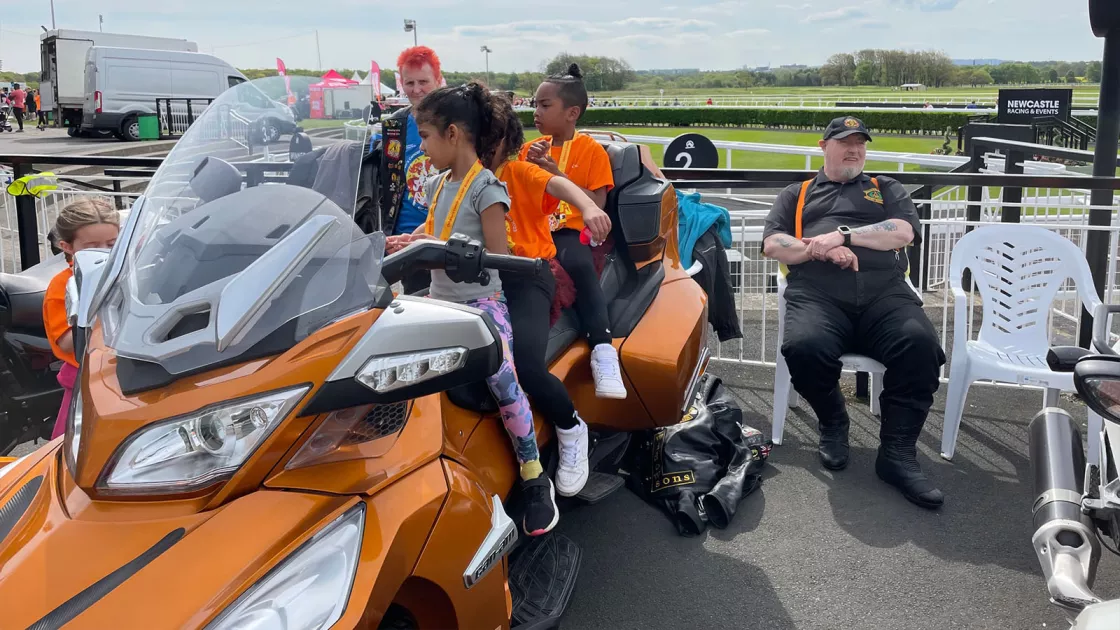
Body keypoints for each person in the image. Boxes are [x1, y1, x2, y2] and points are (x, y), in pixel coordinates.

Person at [388, 82, 559, 535]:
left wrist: (442, 250)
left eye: (424, 137)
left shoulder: (489, 189)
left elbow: (497, 260)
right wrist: (407, 242)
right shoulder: (441, 182)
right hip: (439, 302)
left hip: (481, 306)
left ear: (452, 134)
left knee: (504, 380)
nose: (421, 147)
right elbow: (433, 229)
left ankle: (533, 474)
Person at [761, 116, 947, 510]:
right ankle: (833, 419)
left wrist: (844, 235)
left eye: (860, 143)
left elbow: (902, 232)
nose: (855, 149)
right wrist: (819, 249)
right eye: (845, 141)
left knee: (920, 346)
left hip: (885, 296)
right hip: (818, 295)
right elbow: (774, 244)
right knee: (803, 347)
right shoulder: (797, 194)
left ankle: (897, 454)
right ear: (823, 146)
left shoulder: (886, 188)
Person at [485, 94, 615, 496]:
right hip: (484, 282)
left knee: (525, 365)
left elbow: (553, 182)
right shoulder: (461, 179)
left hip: (527, 276)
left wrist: (587, 206)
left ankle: (570, 426)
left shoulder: (517, 170)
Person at [521, 64, 625, 400]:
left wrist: (556, 173)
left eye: (544, 105)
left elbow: (596, 201)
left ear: (572, 113)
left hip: (571, 231)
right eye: (534, 104)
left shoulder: (591, 150)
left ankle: (603, 348)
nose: (535, 112)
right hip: (535, 229)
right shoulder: (529, 149)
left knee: (578, 264)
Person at [43, 198, 120, 439]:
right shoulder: (61, 285)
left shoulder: (127, 272)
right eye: (92, 245)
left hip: (123, 367)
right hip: (84, 375)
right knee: (74, 444)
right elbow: (67, 342)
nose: (104, 252)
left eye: (111, 244)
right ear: (67, 246)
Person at [372, 46, 444, 295]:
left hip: (446, 233)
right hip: (406, 238)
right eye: (409, 82)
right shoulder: (395, 126)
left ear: (438, 79)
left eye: (423, 81)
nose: (416, 89)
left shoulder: (456, 120)